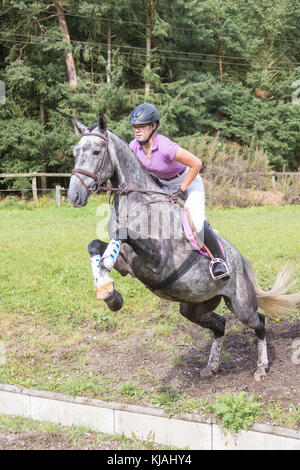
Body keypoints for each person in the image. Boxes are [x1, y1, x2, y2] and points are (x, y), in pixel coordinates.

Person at [92, 103, 230, 298]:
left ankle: (218, 261)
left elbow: (196, 163)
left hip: (188, 182)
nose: (137, 130)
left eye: (142, 126)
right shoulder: (134, 147)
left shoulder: (164, 146)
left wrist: (182, 190)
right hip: (162, 185)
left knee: (196, 221)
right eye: (134, 127)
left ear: (154, 126)